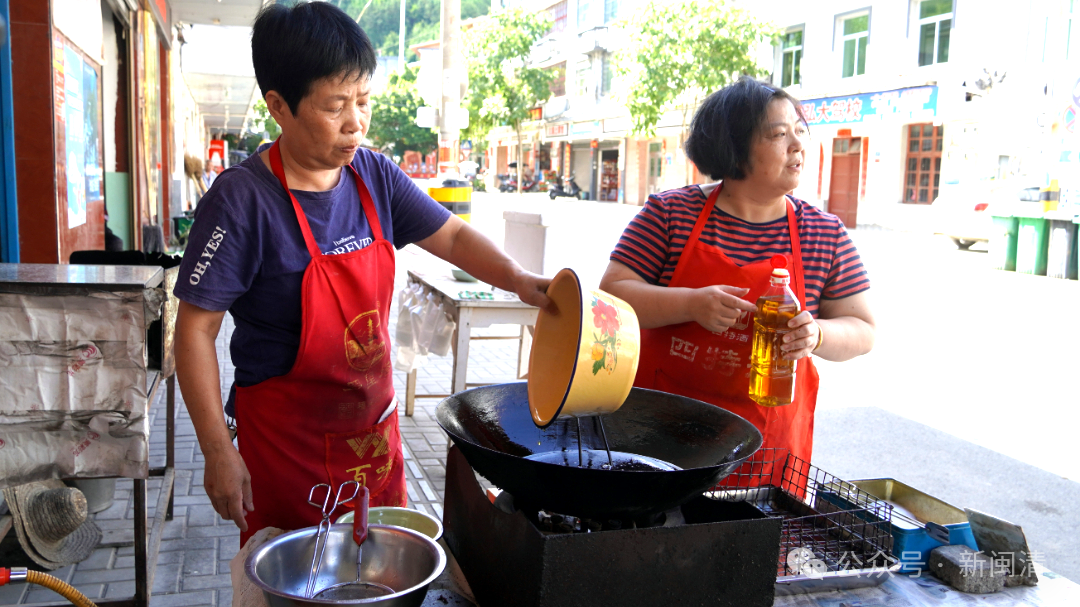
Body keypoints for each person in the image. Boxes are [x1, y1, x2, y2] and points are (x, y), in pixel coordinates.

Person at [173, 2, 553, 547]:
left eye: (363, 100)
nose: (356, 122)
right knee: (296, 584)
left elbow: (449, 235)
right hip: (284, 446)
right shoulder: (241, 201)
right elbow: (196, 331)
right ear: (279, 106)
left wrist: (517, 278)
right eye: (335, 105)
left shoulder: (374, 175)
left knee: (376, 571)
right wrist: (216, 449)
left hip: (370, 438)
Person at [599, 77, 875, 466]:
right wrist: (691, 304)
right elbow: (611, 297)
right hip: (657, 441)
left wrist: (816, 335)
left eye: (800, 131)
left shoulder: (824, 234)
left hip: (766, 453)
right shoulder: (669, 214)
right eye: (779, 134)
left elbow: (862, 329)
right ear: (735, 146)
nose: (797, 146)